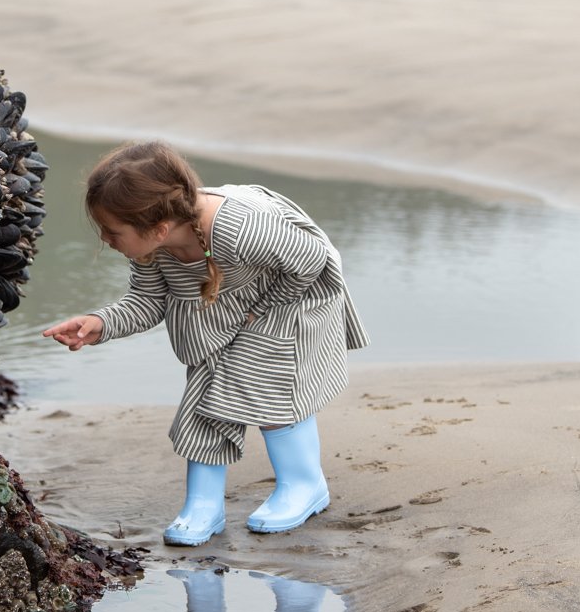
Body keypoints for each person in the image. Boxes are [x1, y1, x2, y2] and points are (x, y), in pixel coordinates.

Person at [42, 141, 369, 546]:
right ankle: (203, 504)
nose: (106, 239)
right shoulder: (150, 245)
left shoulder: (240, 227)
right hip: (229, 306)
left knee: (271, 385)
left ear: (158, 228)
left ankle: (304, 485)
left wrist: (259, 310)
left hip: (292, 298)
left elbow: (311, 259)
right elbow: (147, 302)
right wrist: (100, 323)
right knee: (206, 392)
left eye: (113, 232)